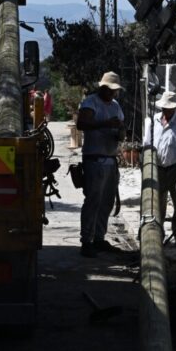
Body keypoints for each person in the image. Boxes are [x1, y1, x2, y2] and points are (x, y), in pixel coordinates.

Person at [76, 71, 125, 257]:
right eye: (109, 90)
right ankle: (86, 240)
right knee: (93, 201)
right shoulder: (90, 102)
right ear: (102, 88)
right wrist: (105, 123)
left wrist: (120, 132)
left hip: (110, 158)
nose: (112, 93)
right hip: (94, 158)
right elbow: (82, 124)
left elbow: (121, 128)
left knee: (107, 201)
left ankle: (99, 237)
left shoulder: (115, 106)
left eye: (114, 91)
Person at [143, 90, 176, 248]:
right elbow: (148, 143)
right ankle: (157, 236)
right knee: (157, 205)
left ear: (175, 108)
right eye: (164, 108)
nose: (167, 110)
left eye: (170, 108)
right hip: (158, 168)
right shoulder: (153, 120)